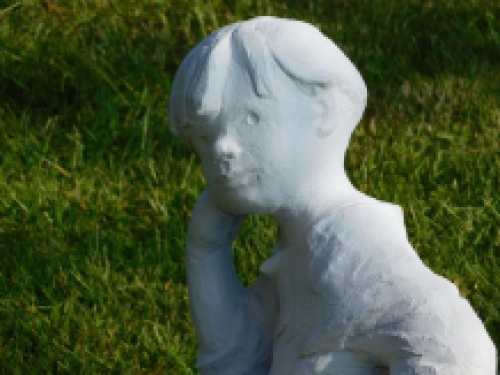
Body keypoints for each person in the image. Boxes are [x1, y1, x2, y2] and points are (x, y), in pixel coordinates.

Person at [169, 16, 497, 375]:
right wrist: (207, 251)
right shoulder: (299, 257)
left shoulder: (358, 261)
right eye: (203, 138)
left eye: (250, 119)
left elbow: (454, 349)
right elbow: (236, 363)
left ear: (322, 111)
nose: (221, 147)